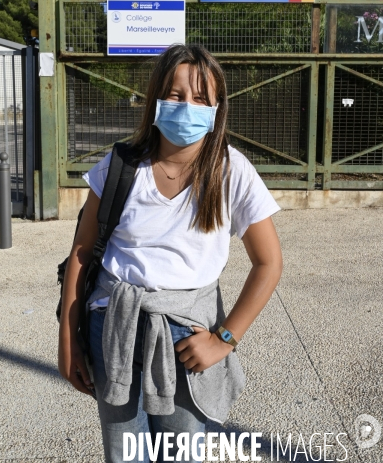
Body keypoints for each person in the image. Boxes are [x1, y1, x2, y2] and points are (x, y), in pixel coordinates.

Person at [58, 44, 283, 463]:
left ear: (217, 108)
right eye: (175, 95)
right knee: (126, 454)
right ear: (156, 100)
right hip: (112, 330)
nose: (187, 106)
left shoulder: (231, 171)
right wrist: (67, 337)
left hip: (186, 339)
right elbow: (82, 252)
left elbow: (269, 263)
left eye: (200, 97)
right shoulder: (119, 165)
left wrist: (225, 339)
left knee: (183, 452)